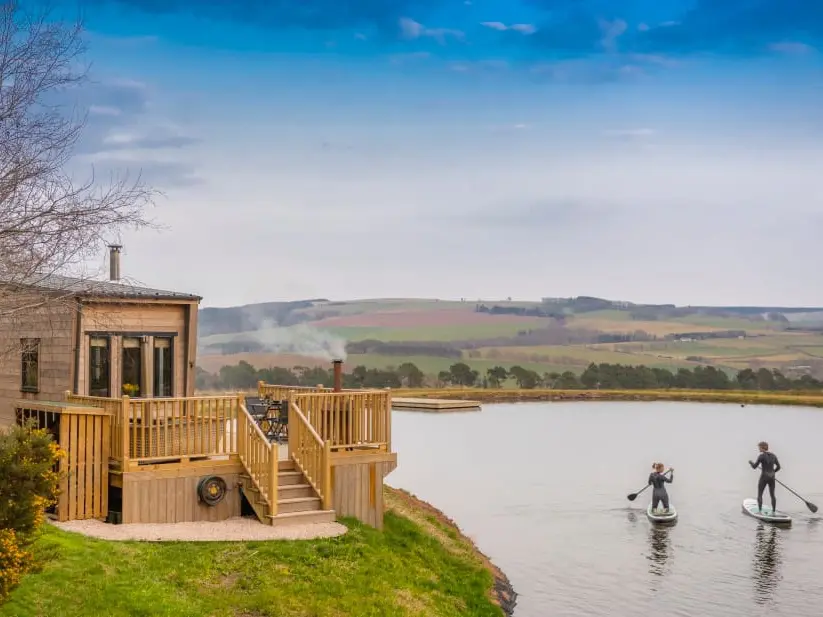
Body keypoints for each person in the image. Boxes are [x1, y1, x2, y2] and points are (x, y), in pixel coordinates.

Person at [749, 441, 781, 513]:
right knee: (772, 495)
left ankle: (760, 511)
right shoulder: (773, 456)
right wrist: (772, 473)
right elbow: (779, 467)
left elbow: (754, 467)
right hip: (772, 477)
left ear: (762, 447)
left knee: (760, 494)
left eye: (759, 447)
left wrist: (751, 462)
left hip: (764, 477)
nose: (758, 449)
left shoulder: (761, 456)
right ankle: (773, 511)